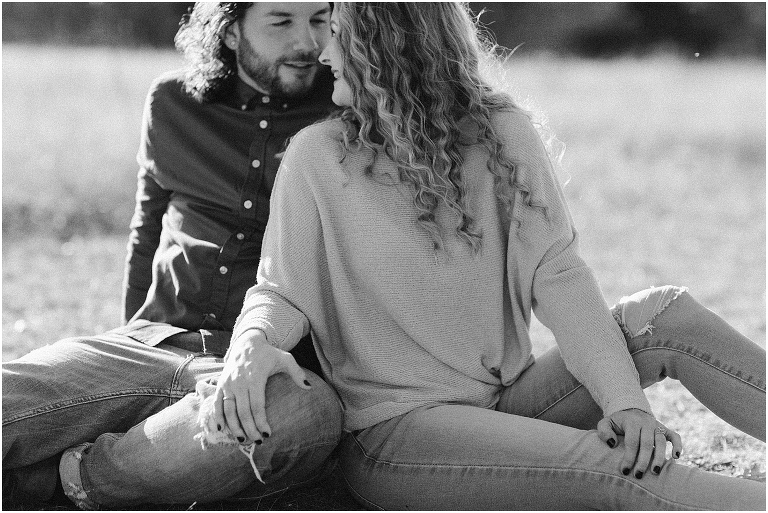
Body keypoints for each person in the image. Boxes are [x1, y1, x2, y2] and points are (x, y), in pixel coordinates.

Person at [213, 2, 767, 510]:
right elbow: (281, 291)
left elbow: (558, 275)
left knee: (663, 315)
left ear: (386, 46)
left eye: (338, 35)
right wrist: (251, 343)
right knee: (617, 467)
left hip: (509, 402)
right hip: (398, 435)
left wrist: (626, 403)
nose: (323, 52)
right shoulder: (317, 158)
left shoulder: (502, 134)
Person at [2, 2, 344, 509]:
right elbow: (147, 231)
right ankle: (149, 452)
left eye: (319, 20)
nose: (307, 42)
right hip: (153, 342)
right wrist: (129, 342)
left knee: (304, 414)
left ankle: (66, 477)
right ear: (230, 32)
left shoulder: (344, 117)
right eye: (281, 21)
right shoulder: (172, 101)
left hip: (265, 366)